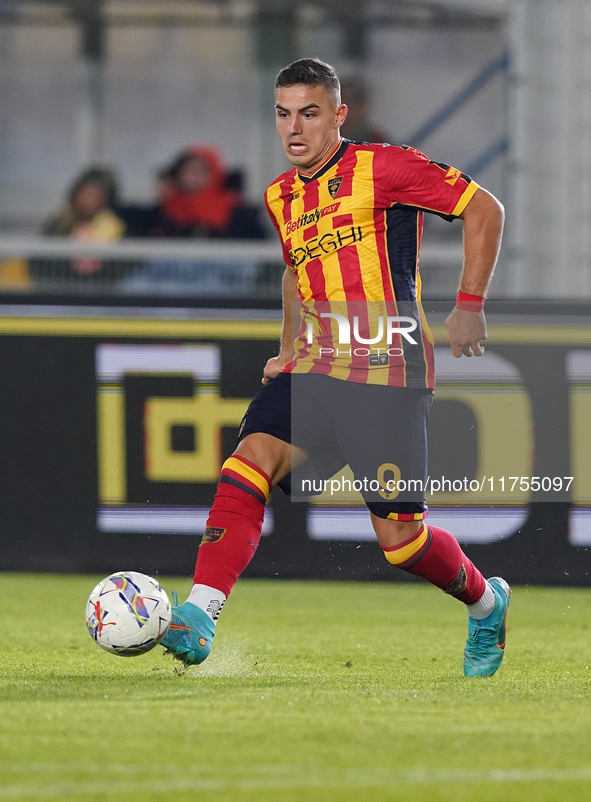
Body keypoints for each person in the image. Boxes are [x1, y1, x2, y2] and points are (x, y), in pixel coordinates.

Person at [161, 58, 508, 678]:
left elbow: (485, 209)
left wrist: (470, 306)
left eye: (309, 113)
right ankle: (200, 612)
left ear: (338, 116)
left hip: (386, 369)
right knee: (248, 464)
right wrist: (289, 346)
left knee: (402, 545)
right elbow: (298, 274)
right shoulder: (280, 195)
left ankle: (486, 603)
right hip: (317, 368)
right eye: (283, 113)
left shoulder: (385, 167)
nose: (294, 128)